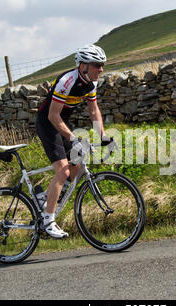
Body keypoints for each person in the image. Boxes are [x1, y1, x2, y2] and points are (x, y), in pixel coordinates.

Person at [35, 44, 107, 238]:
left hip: (61, 123)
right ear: (83, 65)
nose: (100, 69)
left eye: (102, 65)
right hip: (48, 122)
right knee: (64, 170)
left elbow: (93, 111)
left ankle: (46, 197)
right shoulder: (67, 81)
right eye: (96, 65)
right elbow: (52, 115)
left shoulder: (92, 82)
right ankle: (48, 222)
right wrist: (73, 138)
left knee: (79, 165)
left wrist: (103, 136)